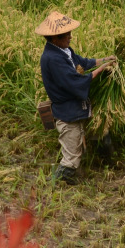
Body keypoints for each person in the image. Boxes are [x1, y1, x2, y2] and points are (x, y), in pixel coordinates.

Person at [37, 10, 114, 184]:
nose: (71, 37)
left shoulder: (64, 51)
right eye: (67, 34)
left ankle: (103, 164)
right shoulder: (52, 58)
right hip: (68, 113)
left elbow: (83, 62)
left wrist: (104, 60)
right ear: (55, 37)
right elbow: (75, 82)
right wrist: (101, 70)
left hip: (78, 107)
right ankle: (55, 187)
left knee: (102, 131)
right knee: (71, 161)